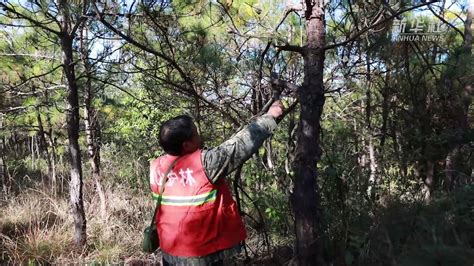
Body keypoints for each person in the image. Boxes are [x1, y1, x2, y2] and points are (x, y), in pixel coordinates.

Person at [149, 101, 284, 266]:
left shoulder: (155, 166)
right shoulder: (205, 163)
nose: (200, 136)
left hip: (170, 254)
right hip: (202, 256)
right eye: (196, 133)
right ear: (186, 145)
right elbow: (240, 145)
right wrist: (270, 117)